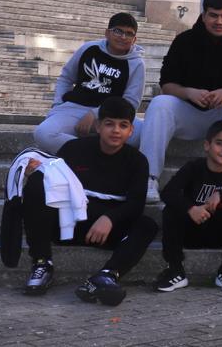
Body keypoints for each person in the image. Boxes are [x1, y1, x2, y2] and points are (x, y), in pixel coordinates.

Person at [20, 97, 157, 306]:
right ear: (98, 126)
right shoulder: (74, 149)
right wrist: (34, 173)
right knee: (38, 182)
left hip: (107, 229)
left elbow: (136, 204)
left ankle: (106, 276)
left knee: (147, 225)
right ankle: (42, 262)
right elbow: (54, 185)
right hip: (70, 223)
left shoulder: (137, 161)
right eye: (109, 124)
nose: (116, 130)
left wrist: (110, 218)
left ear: (130, 131)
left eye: (123, 125)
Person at [140, 0, 222, 203]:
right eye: (213, 15)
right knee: (160, 103)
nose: (219, 21)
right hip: (190, 115)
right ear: (203, 16)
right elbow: (166, 84)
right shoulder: (184, 41)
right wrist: (188, 92)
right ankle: (148, 177)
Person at [154, 120, 222, 293]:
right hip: (192, 229)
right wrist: (191, 208)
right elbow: (168, 192)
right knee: (171, 210)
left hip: (221, 233)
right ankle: (175, 269)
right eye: (219, 143)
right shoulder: (193, 168)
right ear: (207, 145)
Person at [34, 12, 146, 154]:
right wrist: (57, 105)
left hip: (113, 115)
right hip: (75, 108)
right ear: (107, 33)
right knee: (44, 134)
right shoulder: (89, 49)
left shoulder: (136, 63)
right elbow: (66, 78)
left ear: (134, 39)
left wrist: (96, 114)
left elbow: (130, 103)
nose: (123, 37)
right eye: (118, 31)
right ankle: (92, 152)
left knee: (146, 134)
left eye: (129, 34)